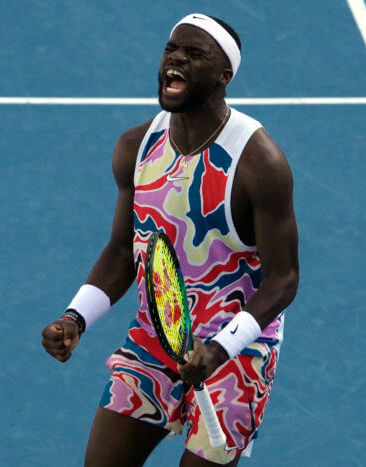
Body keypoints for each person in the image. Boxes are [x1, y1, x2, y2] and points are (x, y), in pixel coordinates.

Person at [41, 13, 299, 467]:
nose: (176, 59)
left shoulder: (259, 163)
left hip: (236, 351)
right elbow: (123, 252)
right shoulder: (136, 148)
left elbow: (284, 280)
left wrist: (221, 347)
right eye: (171, 49)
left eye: (194, 54)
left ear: (224, 76)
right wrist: (75, 318)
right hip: (159, 334)